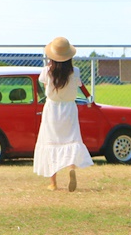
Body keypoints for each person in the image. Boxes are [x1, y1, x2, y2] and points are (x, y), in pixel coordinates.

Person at [33, 37, 94, 191]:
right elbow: (78, 85)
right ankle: (71, 167)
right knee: (71, 139)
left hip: (52, 109)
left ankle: (53, 183)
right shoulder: (75, 71)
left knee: (50, 141)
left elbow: (46, 86)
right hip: (69, 109)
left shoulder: (47, 71)